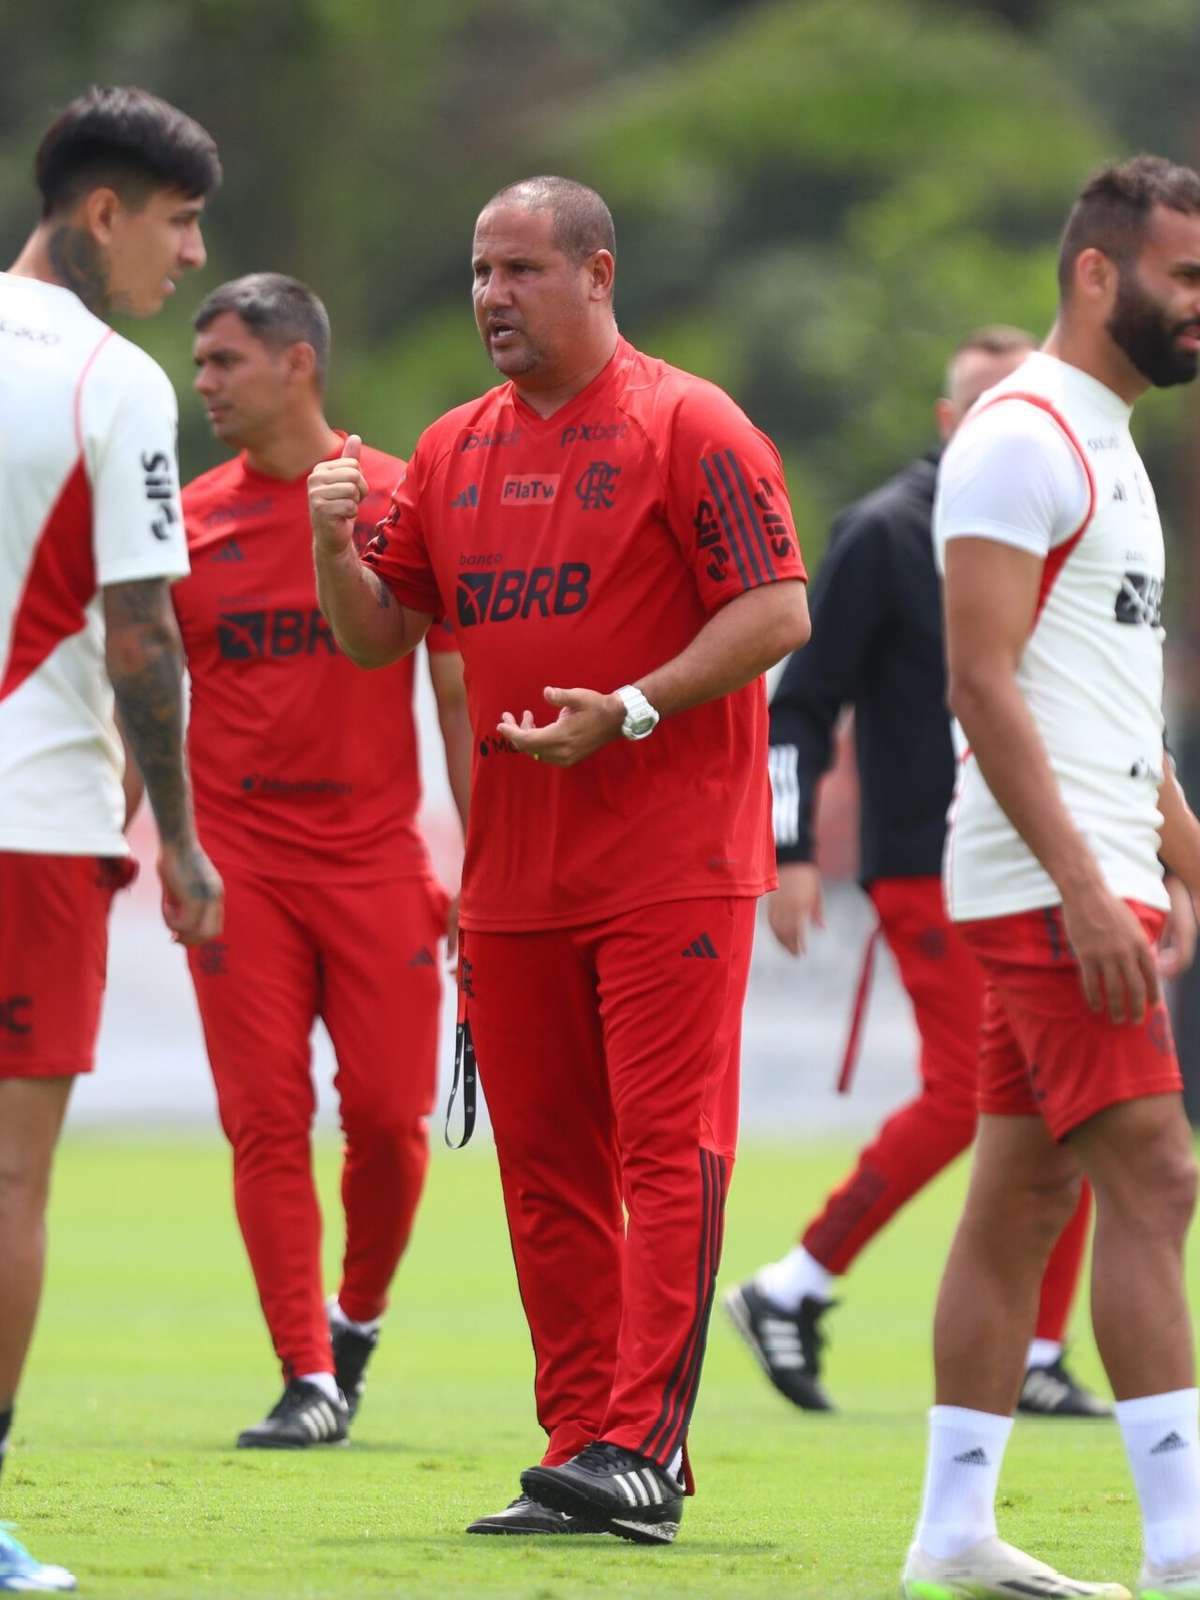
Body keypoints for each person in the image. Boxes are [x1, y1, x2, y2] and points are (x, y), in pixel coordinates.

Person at [308, 175, 810, 1544]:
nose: (491, 298)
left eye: (521, 270)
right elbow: (376, 635)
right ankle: (581, 1444)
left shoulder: (689, 422)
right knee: (543, 1169)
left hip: (672, 864)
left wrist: (632, 708)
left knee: (666, 1154)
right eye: (479, 271)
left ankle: (645, 1448)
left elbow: (776, 610)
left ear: (597, 274)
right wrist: (328, 542)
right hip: (517, 879)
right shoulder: (454, 448)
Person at [724, 326, 1174, 1421]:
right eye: (983, 405)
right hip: (934, 856)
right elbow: (798, 699)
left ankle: (1017, 1351)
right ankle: (800, 1281)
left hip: (1047, 851)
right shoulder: (885, 530)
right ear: (946, 420)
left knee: (1048, 1104)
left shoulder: (1067, 506)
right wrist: (786, 852)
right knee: (985, 1098)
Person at [902, 155, 1200, 1600]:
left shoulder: (1113, 436)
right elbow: (983, 681)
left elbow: (1097, 695)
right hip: (1041, 879)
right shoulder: (1022, 437)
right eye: (1185, 278)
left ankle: (953, 1531)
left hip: (1086, 861)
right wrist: (1089, 886)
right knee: (1159, 1173)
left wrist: (1174, 841)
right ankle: (1184, 1549)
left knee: (1021, 1200)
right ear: (1100, 275)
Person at [174, 273, 470, 1449]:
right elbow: (146, 686)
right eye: (199, 366)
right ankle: (303, 1372)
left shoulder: (396, 496)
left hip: (375, 862)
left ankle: (356, 1321)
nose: (205, 386)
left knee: (394, 1124)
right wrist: (156, 848)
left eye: (225, 363)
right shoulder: (187, 518)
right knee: (264, 1119)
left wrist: (480, 858)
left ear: (299, 363)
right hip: (239, 866)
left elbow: (452, 688)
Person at [0, 86, 223, 1591]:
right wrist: (188, 843)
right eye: (180, 222)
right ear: (102, 214)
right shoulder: (113, 380)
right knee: (9, 1184)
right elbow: (143, 635)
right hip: (30, 824)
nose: (193, 259)